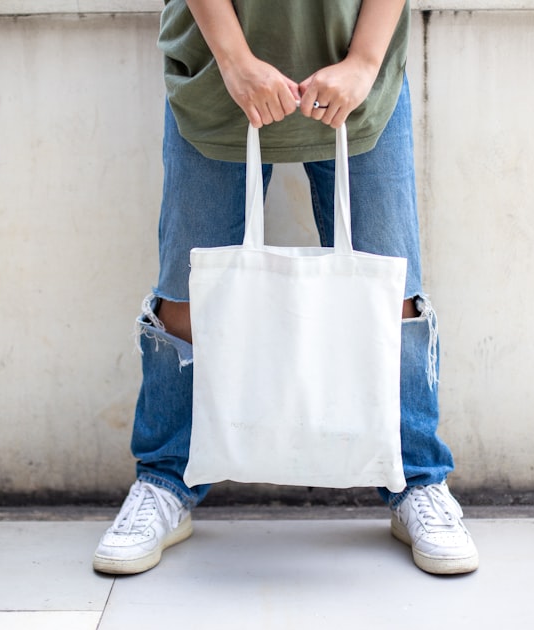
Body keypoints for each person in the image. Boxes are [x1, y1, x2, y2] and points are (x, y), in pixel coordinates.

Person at [92, 0, 479, 576]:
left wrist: (366, 60)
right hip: (217, 75)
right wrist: (234, 60)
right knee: (185, 297)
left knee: (392, 294)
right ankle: (165, 481)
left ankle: (416, 480)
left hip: (357, 75)